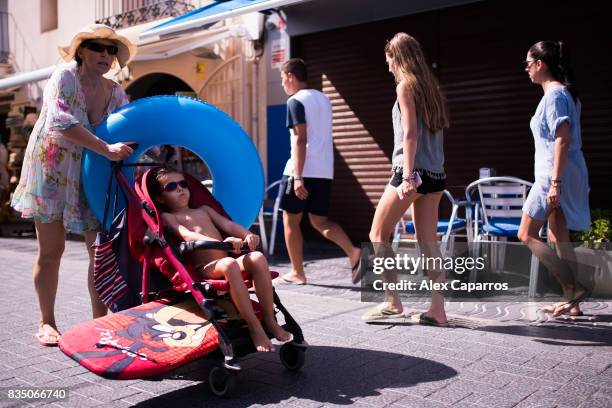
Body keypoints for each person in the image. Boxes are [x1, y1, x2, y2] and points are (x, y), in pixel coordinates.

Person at [11, 24, 137, 346]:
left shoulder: (116, 91)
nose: (105, 55)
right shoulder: (65, 76)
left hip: (92, 175)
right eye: (98, 47)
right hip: (52, 170)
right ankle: (46, 321)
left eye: (111, 51)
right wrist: (106, 149)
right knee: (52, 250)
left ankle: (101, 324)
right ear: (81, 51)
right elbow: (60, 120)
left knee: (100, 252)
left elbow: (128, 130)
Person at [148, 167, 293, 352]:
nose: (180, 189)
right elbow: (187, 235)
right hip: (205, 268)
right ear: (160, 198)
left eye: (183, 184)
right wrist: (222, 244)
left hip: (225, 261)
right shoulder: (169, 216)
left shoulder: (204, 210)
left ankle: (270, 320)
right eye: (171, 187)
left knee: (257, 258)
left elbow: (228, 224)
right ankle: (255, 327)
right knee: (229, 263)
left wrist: (247, 234)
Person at [359, 33, 450, 326]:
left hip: (411, 173)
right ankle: (438, 309)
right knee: (429, 243)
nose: (388, 68)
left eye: (389, 61)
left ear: (398, 59)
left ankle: (392, 301)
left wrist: (408, 176)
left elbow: (411, 133)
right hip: (436, 175)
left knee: (377, 234)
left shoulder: (405, 86)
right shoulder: (431, 88)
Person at [518, 41, 591, 317]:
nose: (526, 69)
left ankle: (574, 286)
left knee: (526, 233)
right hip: (560, 172)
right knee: (558, 234)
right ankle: (573, 302)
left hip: (551, 175)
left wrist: (555, 184)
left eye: (528, 63)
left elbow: (562, 138)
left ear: (540, 64)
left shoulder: (555, 96)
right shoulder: (566, 94)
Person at [278, 58, 360, 285]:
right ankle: (353, 252)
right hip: (324, 171)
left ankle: (297, 272)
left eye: (283, 79)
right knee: (320, 222)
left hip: (301, 170)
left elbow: (301, 138)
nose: (283, 84)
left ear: (291, 76)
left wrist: (297, 177)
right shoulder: (324, 99)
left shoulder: (295, 101)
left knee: (290, 222)